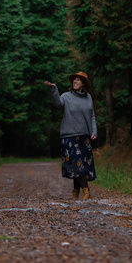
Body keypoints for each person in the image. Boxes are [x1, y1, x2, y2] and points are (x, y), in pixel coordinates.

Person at [44, 71, 97, 201]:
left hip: (84, 135)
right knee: (77, 163)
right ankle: (86, 190)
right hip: (69, 136)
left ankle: (76, 190)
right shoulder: (66, 96)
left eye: (78, 80)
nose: (75, 81)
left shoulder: (88, 97)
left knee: (80, 164)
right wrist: (53, 89)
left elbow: (92, 116)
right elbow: (57, 103)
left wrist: (94, 131)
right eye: (74, 80)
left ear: (83, 84)